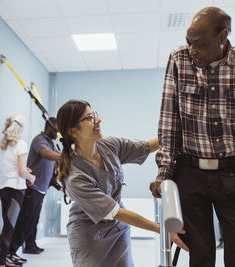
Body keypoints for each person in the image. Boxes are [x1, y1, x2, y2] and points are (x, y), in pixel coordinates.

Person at [150, 7, 235, 267]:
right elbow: (169, 122)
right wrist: (164, 173)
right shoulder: (179, 59)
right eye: (189, 43)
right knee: (200, 256)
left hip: (232, 174)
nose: (192, 51)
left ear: (222, 36)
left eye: (199, 45)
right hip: (190, 173)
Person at [56, 100, 188, 267]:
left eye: (94, 114)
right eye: (89, 118)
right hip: (89, 238)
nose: (98, 120)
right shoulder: (75, 176)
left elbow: (146, 146)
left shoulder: (108, 145)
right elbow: (116, 212)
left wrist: (178, 135)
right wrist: (162, 229)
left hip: (118, 231)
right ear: (72, 130)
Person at [8, 117, 62, 257]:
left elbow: (56, 160)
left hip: (42, 188)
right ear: (49, 127)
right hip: (33, 187)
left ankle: (30, 245)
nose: (57, 133)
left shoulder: (52, 143)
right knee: (25, 220)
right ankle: (11, 251)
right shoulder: (40, 140)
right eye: (56, 130)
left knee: (34, 219)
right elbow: (46, 154)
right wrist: (62, 157)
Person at [0, 113, 36, 267]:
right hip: (16, 189)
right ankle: (0, 263)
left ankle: (0, 259)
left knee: (7, 225)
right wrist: (31, 178)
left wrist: (24, 170)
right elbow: (21, 172)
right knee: (9, 227)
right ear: (20, 127)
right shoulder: (21, 144)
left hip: (2, 188)